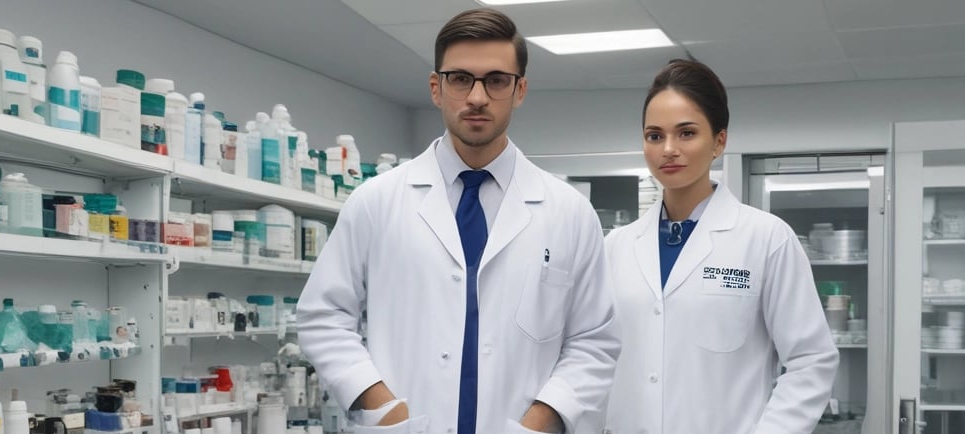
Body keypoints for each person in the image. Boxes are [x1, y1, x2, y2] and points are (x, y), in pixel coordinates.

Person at [296, 8, 621, 434]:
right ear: (437, 87)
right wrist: (384, 407)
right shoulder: (376, 201)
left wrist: (542, 419)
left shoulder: (568, 211)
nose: (477, 97)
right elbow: (323, 315)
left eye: (496, 80)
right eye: (460, 78)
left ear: (519, 90)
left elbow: (593, 340)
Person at [603, 59, 839, 433]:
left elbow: (812, 360)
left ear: (719, 141)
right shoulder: (616, 246)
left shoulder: (766, 238)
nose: (668, 149)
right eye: (654, 135)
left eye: (686, 133)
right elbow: (597, 357)